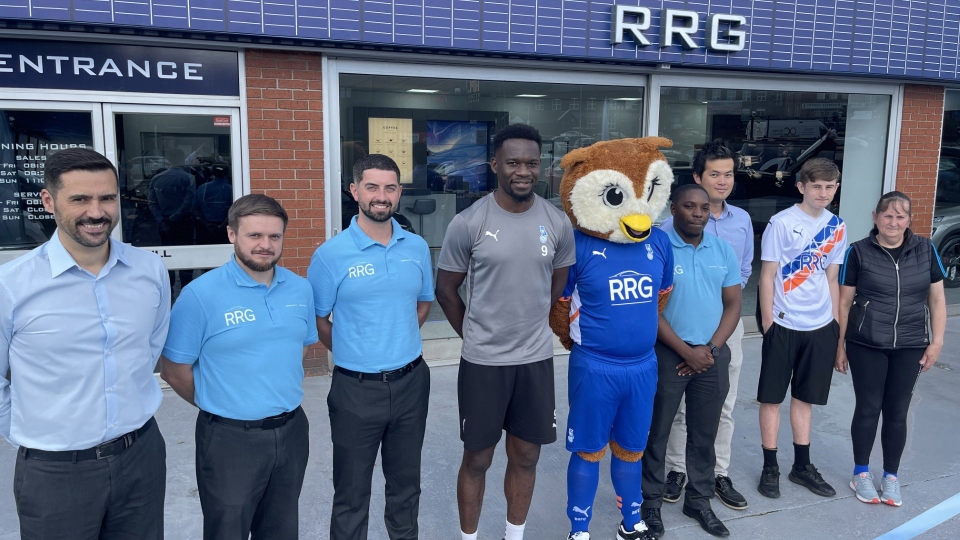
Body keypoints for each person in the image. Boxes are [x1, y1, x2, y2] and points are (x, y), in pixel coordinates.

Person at [0, 147, 171, 539]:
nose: (96, 212)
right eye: (80, 199)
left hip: (141, 457)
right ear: (49, 201)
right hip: (55, 473)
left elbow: (149, 348)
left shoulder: (149, 271)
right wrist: (36, 435)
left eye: (107, 198)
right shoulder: (11, 286)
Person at [436, 123, 576, 540]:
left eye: (531, 163)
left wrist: (528, 324)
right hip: (483, 364)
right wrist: (478, 334)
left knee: (527, 455)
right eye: (513, 162)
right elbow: (446, 290)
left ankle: (513, 536)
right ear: (494, 164)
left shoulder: (556, 222)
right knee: (477, 458)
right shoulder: (469, 222)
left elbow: (556, 285)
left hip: (534, 361)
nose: (523, 171)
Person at [160, 194, 318, 540]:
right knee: (227, 530)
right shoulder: (200, 295)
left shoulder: (301, 289)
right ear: (232, 234)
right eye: (254, 236)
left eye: (274, 237)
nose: (265, 245)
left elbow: (299, 350)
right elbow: (174, 369)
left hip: (291, 431)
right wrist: (221, 403)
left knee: (281, 528)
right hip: (230, 439)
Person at [308, 154, 434, 540]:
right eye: (372, 187)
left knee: (406, 486)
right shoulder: (330, 255)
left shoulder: (416, 247)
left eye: (390, 188)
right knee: (351, 492)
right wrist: (356, 348)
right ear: (355, 191)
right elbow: (319, 319)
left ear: (399, 193)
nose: (382, 196)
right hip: (355, 390)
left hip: (412, 383)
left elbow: (424, 301)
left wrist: (396, 335)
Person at [641, 184, 741, 538]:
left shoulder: (723, 249)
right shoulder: (657, 247)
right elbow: (649, 308)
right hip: (668, 354)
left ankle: (699, 501)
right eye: (689, 206)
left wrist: (710, 350)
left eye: (703, 207)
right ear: (673, 209)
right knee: (658, 432)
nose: (698, 213)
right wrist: (686, 352)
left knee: (704, 434)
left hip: (711, 356)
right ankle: (650, 503)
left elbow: (733, 305)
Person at [836, 191, 946, 507]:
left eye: (900, 216)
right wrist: (839, 346)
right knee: (869, 407)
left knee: (897, 411)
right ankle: (860, 473)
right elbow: (844, 303)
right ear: (875, 217)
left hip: (911, 344)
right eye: (887, 215)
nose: (893, 222)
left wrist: (936, 343)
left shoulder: (926, 250)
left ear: (909, 220)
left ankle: (891, 477)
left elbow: (937, 300)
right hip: (866, 342)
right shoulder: (857, 252)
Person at [659, 143, 754, 510]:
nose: (723, 180)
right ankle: (677, 470)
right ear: (698, 177)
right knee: (681, 409)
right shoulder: (672, 224)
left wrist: (714, 340)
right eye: (715, 173)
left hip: (724, 328)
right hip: (679, 334)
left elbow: (743, 270)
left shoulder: (742, 219)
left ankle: (717, 474)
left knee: (722, 406)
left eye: (729, 173)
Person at [757, 157, 846, 499]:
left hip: (820, 324)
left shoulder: (837, 226)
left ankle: (802, 466)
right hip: (783, 323)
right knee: (770, 398)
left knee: (805, 398)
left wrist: (835, 325)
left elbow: (832, 278)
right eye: (816, 187)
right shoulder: (781, 223)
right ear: (801, 187)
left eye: (829, 187)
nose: (823, 193)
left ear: (836, 188)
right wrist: (768, 321)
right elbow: (767, 275)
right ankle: (770, 466)